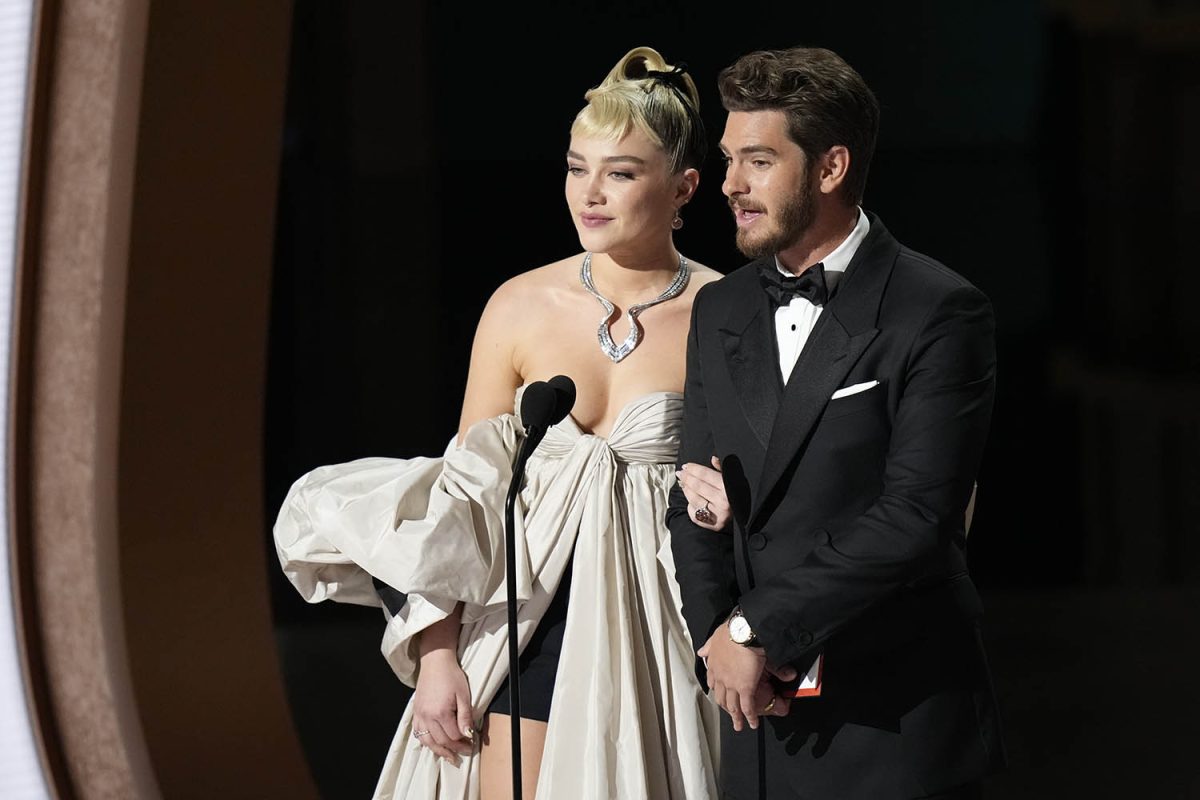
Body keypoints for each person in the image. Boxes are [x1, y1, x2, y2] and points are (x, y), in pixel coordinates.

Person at [274, 46, 723, 799]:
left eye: (620, 172)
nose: (591, 193)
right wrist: (438, 655)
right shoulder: (520, 305)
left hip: (662, 634)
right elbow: (465, 495)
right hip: (524, 616)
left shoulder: (726, 314)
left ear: (683, 187)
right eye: (578, 168)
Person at [668, 46, 1006, 799]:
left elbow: (917, 517)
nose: (729, 184)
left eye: (757, 160)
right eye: (728, 160)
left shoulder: (938, 309)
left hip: (895, 720)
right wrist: (716, 640)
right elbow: (692, 493)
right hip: (758, 718)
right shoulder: (719, 308)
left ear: (829, 168)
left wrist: (756, 630)